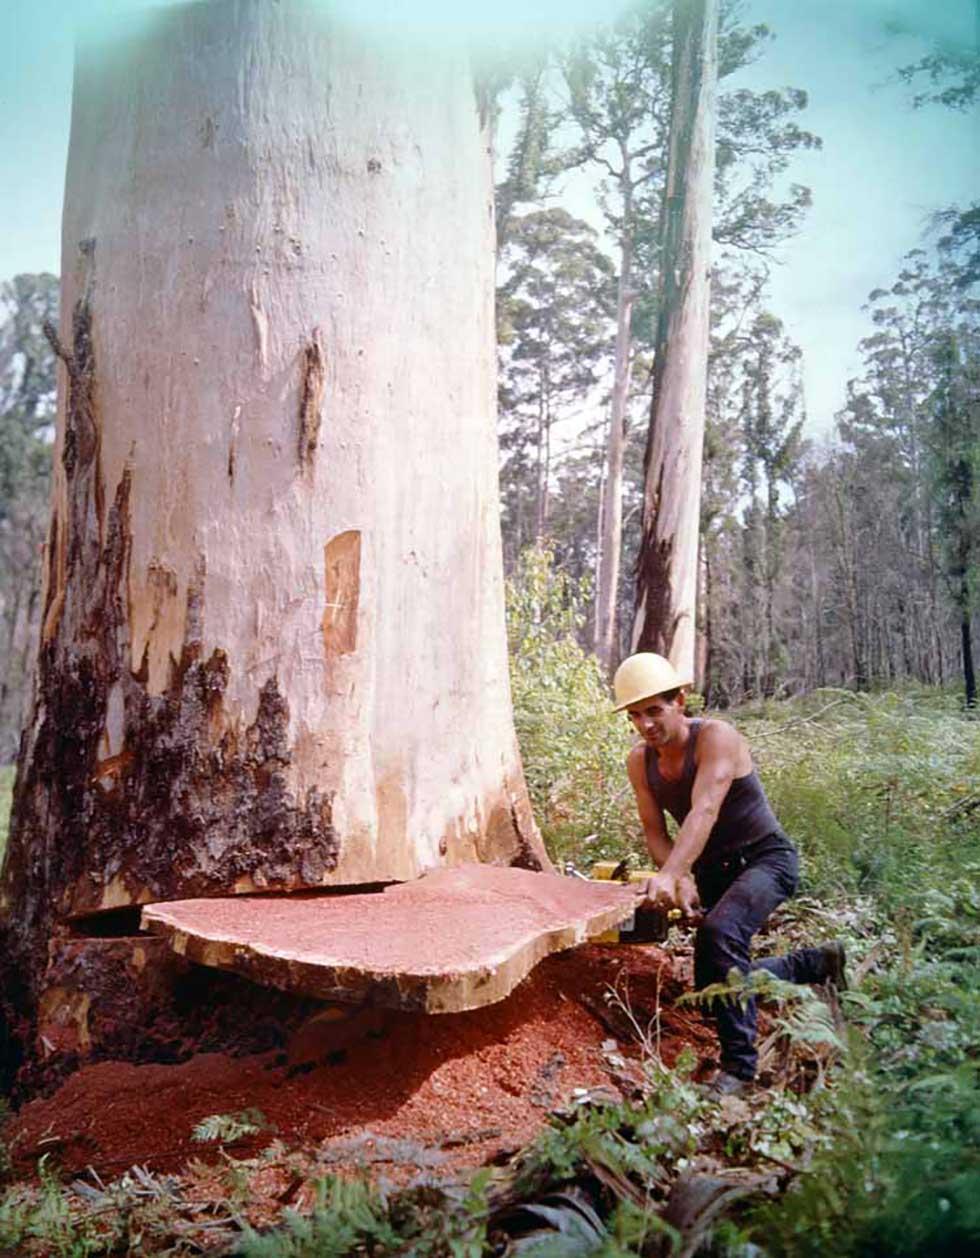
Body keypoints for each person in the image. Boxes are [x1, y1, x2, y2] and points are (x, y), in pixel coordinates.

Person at [613, 652, 845, 1096]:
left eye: (655, 711)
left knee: (721, 934)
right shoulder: (639, 762)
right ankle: (815, 963)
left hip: (764, 860)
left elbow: (704, 809)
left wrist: (674, 872)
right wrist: (678, 875)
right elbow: (653, 830)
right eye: (636, 715)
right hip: (712, 871)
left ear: (680, 700)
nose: (645, 724)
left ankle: (740, 1069)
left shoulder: (716, 738)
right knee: (710, 991)